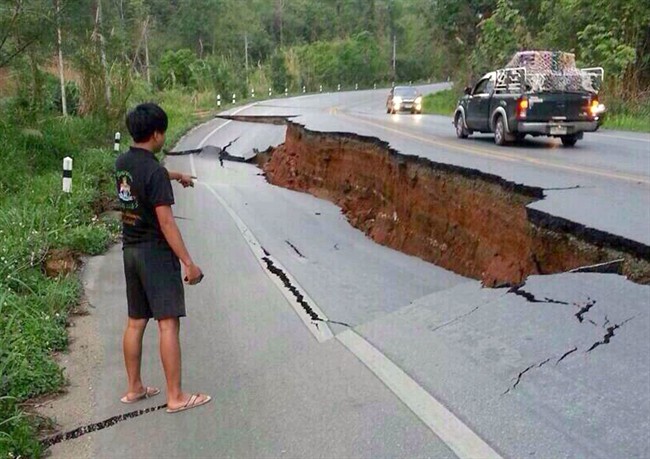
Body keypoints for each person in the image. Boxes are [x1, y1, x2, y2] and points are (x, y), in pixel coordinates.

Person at [114, 102, 211, 414]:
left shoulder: (123, 163)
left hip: (130, 251)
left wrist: (176, 174)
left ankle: (134, 389)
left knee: (135, 321)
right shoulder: (154, 171)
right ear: (156, 134)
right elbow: (166, 222)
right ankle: (176, 396)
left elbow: (146, 176)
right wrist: (188, 262)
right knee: (168, 323)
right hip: (155, 254)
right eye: (163, 133)